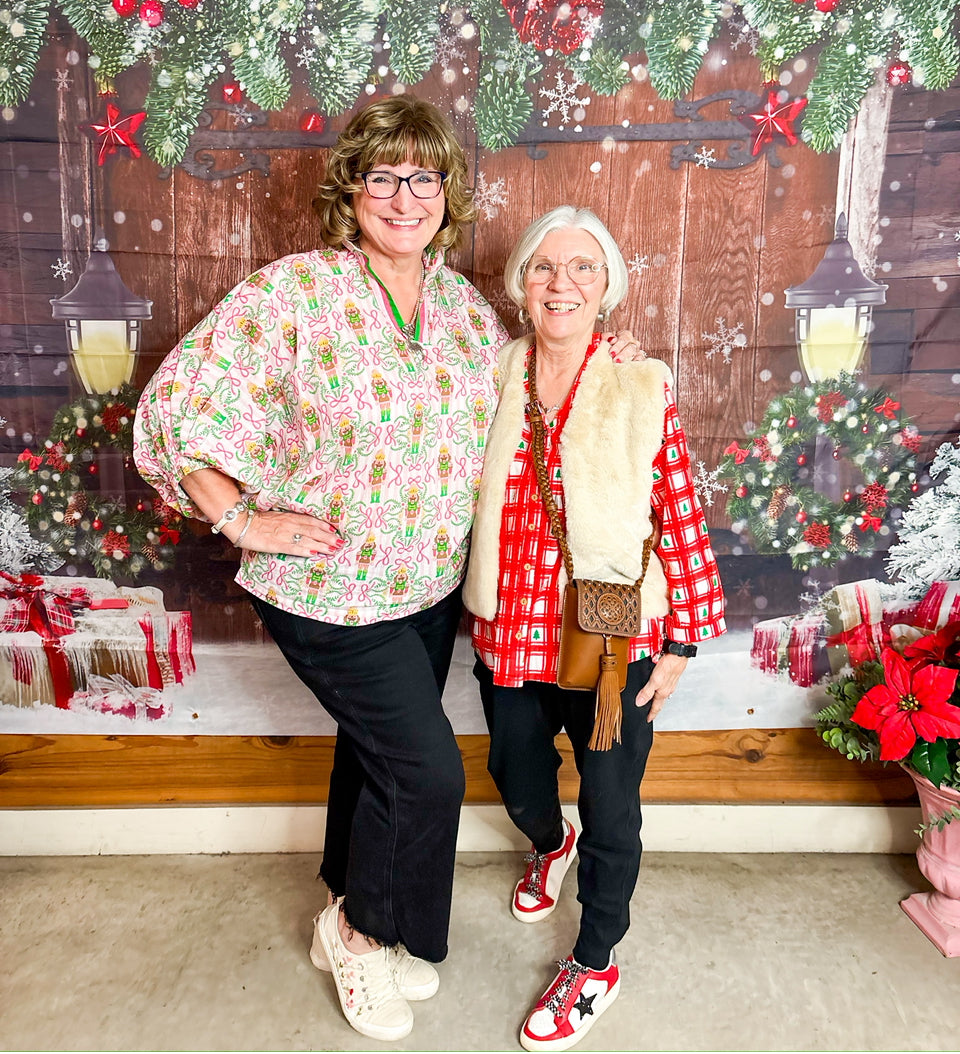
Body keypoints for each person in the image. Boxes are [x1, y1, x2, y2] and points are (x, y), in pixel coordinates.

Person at [134, 99, 642, 1044]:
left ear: (445, 194)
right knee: (427, 772)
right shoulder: (297, 292)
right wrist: (241, 517)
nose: (403, 197)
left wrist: (609, 359)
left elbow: (532, 389)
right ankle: (361, 931)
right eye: (382, 177)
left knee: (375, 758)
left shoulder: (459, 306)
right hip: (328, 591)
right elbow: (176, 409)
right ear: (351, 191)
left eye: (423, 178)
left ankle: (348, 903)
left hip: (426, 590)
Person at [463, 206, 726, 1052]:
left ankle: (597, 958)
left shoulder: (639, 383)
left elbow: (677, 507)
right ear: (520, 285)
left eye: (582, 268)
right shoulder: (495, 371)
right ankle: (549, 840)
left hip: (611, 641)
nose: (561, 283)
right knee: (512, 765)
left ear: (606, 286)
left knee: (613, 804)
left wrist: (683, 638)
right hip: (511, 626)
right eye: (544, 267)